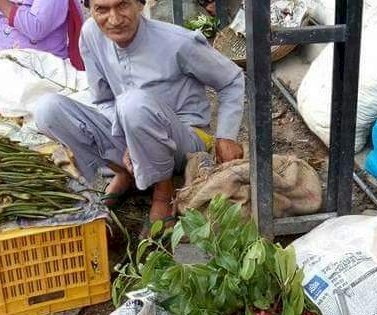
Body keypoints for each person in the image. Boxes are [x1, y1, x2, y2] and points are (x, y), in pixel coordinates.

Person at [33, 0, 245, 231]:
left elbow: (231, 79)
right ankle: (124, 174)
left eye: (122, 5)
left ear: (140, 4)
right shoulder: (91, 34)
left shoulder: (177, 42)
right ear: (90, 10)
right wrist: (130, 140)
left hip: (184, 142)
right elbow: (103, 100)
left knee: (133, 103)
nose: (113, 19)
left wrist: (226, 135)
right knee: (48, 109)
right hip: (129, 129)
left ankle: (164, 193)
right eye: (102, 9)